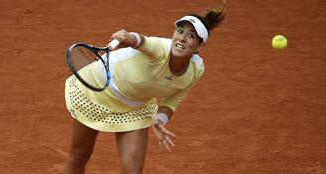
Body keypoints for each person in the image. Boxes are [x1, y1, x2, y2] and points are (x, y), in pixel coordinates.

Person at [63, 1, 227, 174]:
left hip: (134, 106)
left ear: (200, 46)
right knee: (78, 158)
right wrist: (127, 36)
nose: (182, 38)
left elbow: (174, 99)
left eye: (191, 36)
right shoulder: (161, 48)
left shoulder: (196, 69)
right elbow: (141, 41)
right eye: (180, 31)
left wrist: (159, 120)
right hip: (97, 91)